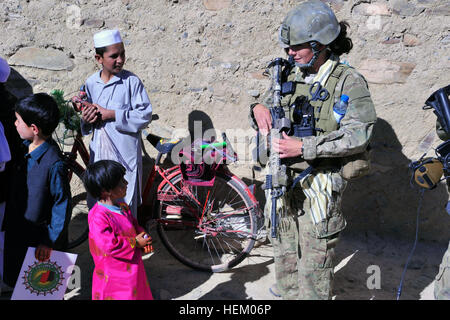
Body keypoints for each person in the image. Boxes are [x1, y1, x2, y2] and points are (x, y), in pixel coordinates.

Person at [249, 0, 376, 299]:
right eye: (287, 48)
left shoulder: (348, 81)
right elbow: (268, 106)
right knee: (284, 254)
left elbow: (359, 135)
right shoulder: (289, 74)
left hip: (318, 185)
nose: (290, 53)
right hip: (282, 184)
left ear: (320, 45)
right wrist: (256, 109)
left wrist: (303, 146)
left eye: (297, 47)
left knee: (315, 264)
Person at [76, 29, 152, 219]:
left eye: (122, 54)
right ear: (99, 58)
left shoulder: (131, 82)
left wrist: (112, 114)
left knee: (124, 204)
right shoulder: (91, 83)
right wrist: (87, 118)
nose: (120, 60)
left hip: (124, 156)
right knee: (101, 202)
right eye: (114, 56)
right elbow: (86, 122)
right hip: (100, 155)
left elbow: (144, 115)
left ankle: (125, 247)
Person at [1, 93, 72, 288]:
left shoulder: (53, 164)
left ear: (34, 128)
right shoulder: (23, 149)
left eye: (18, 121)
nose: (14, 124)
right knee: (19, 281)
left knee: (39, 288)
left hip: (39, 240)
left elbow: (62, 204)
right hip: (19, 232)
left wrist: (49, 240)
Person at [83, 160, 153, 300]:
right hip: (114, 276)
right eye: (121, 181)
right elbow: (109, 245)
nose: (126, 183)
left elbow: (133, 225)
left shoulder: (122, 207)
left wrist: (143, 236)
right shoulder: (98, 217)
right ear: (106, 191)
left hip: (132, 268)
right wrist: (135, 242)